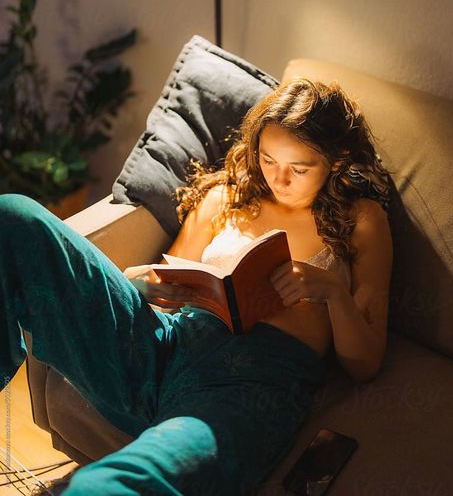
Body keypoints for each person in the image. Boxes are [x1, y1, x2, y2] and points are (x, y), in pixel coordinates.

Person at [0, 77, 393, 496]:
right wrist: (149, 286)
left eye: (299, 169)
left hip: (248, 388)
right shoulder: (227, 197)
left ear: (336, 161)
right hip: (166, 346)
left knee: (103, 486)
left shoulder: (361, 221)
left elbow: (365, 363)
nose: (278, 179)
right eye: (267, 159)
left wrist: (331, 291)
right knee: (15, 218)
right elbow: (163, 277)